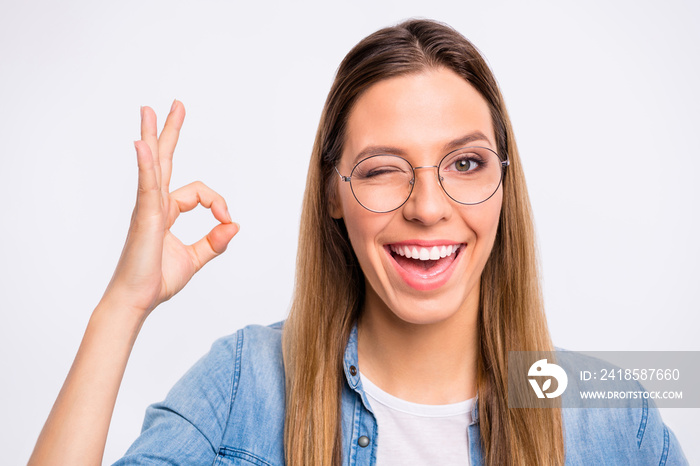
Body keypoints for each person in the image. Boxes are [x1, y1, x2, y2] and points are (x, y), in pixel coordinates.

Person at [29, 19, 687, 465]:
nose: (428, 209)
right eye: (380, 170)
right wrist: (123, 305)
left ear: (505, 186)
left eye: (465, 164)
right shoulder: (248, 384)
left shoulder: (607, 414)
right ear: (333, 195)